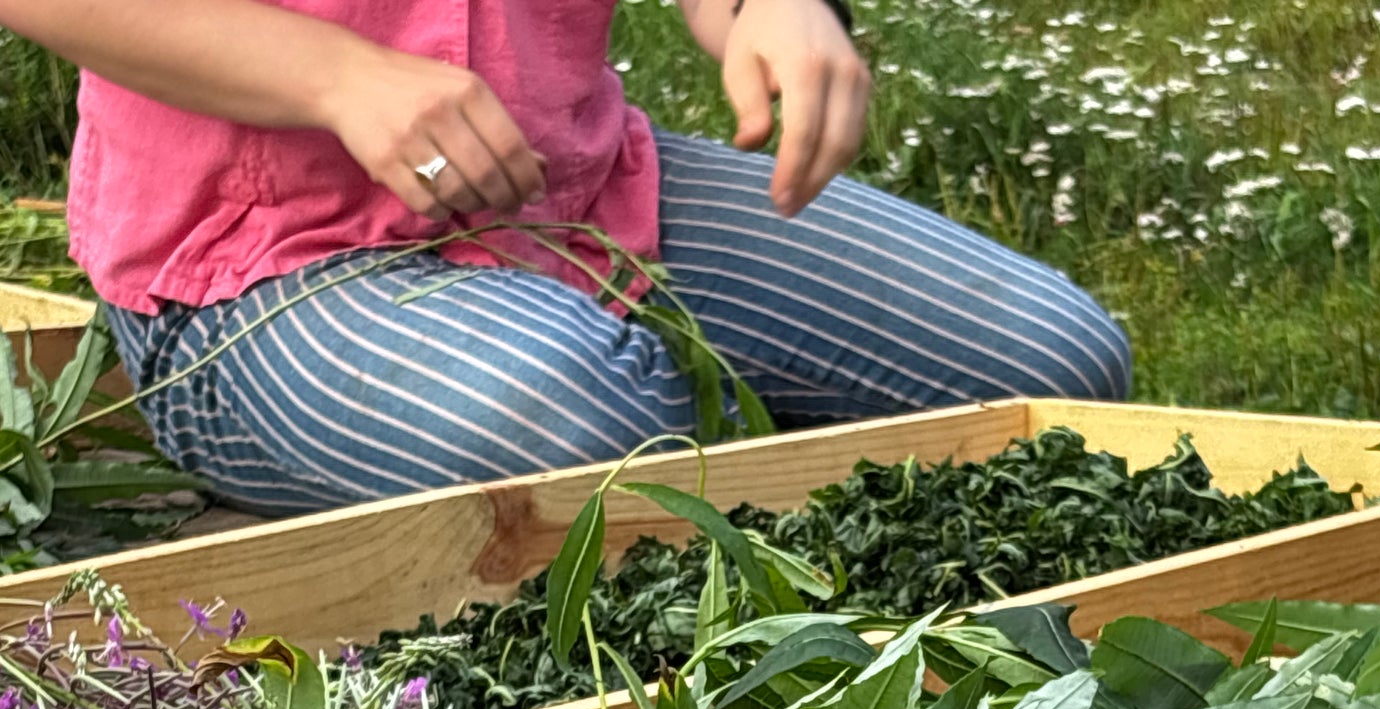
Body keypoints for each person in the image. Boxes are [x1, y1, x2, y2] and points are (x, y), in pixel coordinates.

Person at [2, 0, 1130, 513]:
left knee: (1053, 371)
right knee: (607, 447)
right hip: (258, 268)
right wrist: (337, 78)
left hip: (576, 193)